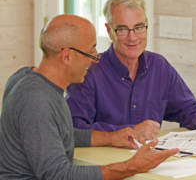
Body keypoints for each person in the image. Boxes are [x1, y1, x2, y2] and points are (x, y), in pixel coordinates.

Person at [0, 14, 178, 180]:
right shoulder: (37, 100)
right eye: (90, 51)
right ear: (67, 56)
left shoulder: (25, 77)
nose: (95, 59)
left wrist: (110, 137)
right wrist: (131, 167)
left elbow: (55, 134)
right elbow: (57, 174)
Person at [66, 0, 196, 141]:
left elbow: (186, 107)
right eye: (122, 29)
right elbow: (73, 130)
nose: (132, 37)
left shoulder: (159, 66)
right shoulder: (88, 72)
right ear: (109, 31)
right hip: (104, 166)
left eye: (139, 27)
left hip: (148, 165)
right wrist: (130, 130)